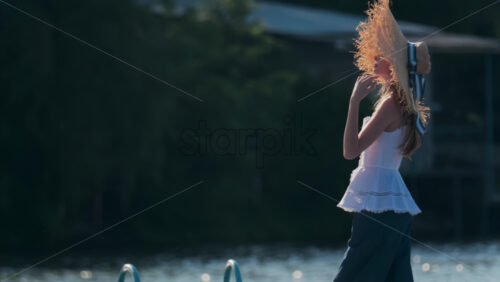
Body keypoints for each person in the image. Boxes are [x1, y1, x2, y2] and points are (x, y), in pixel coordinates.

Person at [333, 0, 431, 281]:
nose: (375, 59)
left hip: (378, 205)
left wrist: (354, 101)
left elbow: (350, 151)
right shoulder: (406, 105)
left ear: (394, 66)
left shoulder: (390, 105)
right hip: (394, 206)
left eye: (382, 56)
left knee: (352, 276)